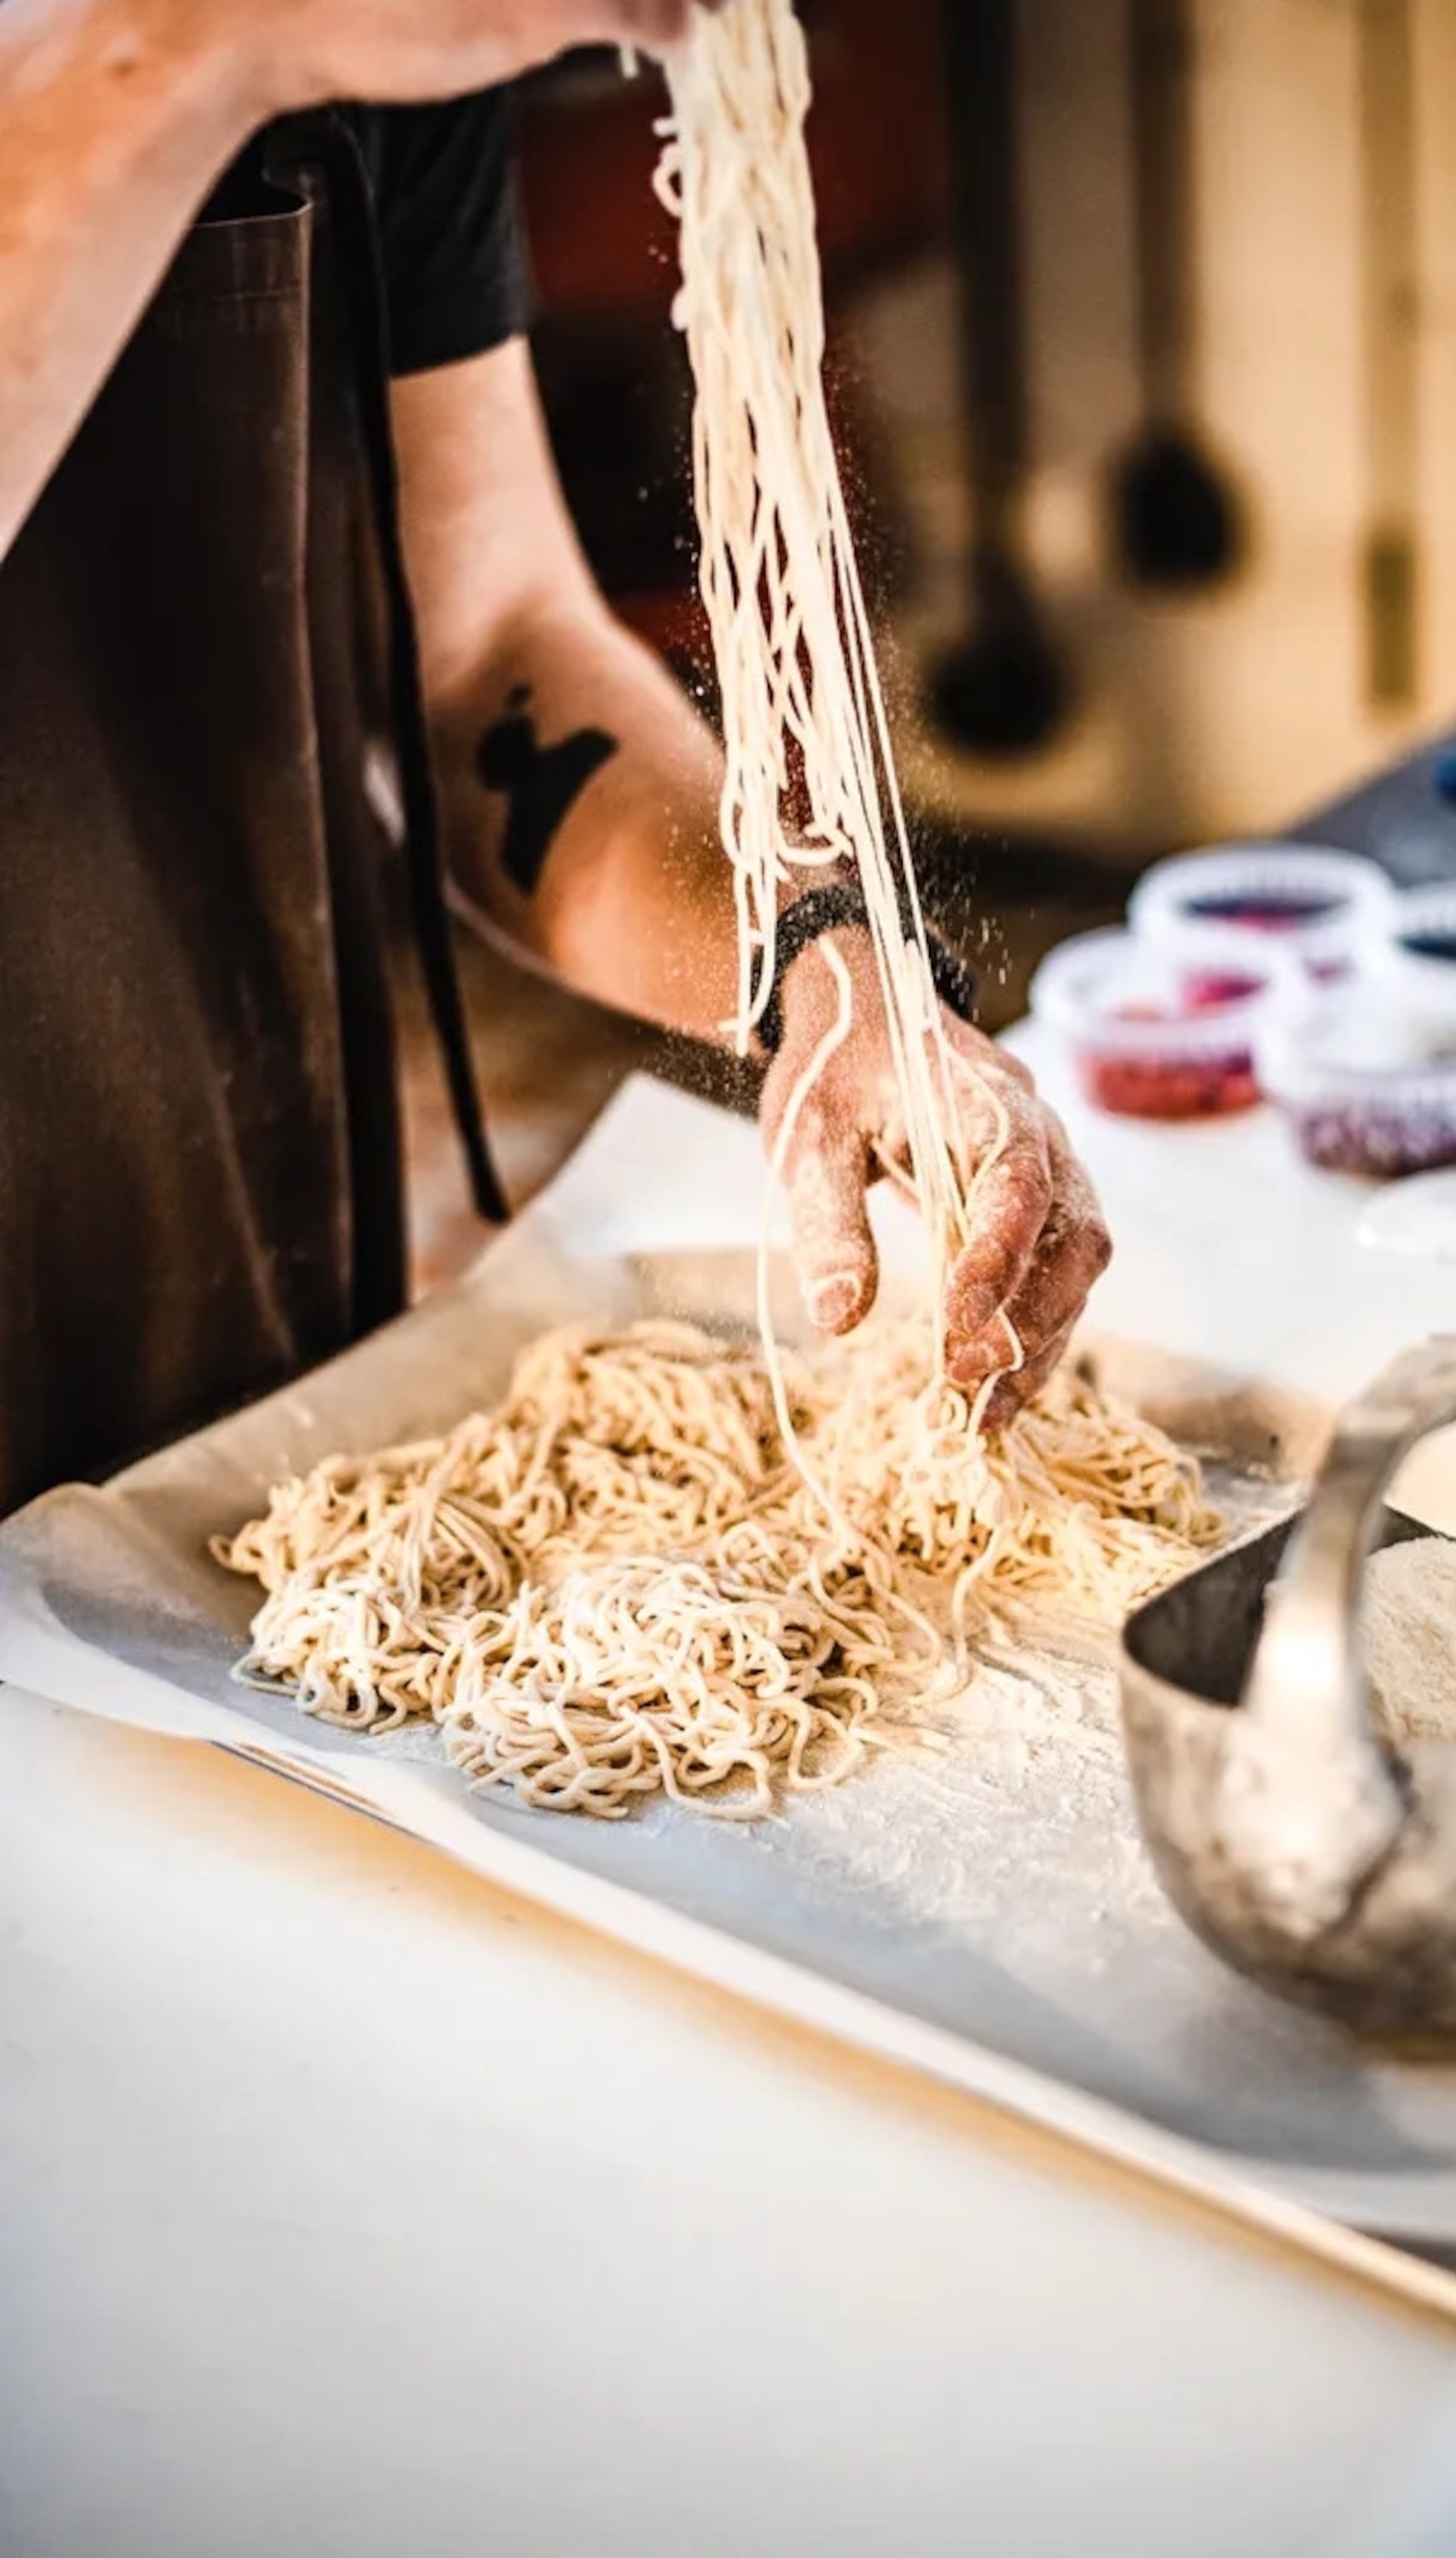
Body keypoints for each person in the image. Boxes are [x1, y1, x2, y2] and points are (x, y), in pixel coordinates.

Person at [0, 0, 1112, 1516]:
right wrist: (195, 54)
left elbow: (489, 665)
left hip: (243, 1224)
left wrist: (825, 961)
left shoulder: (376, 65)